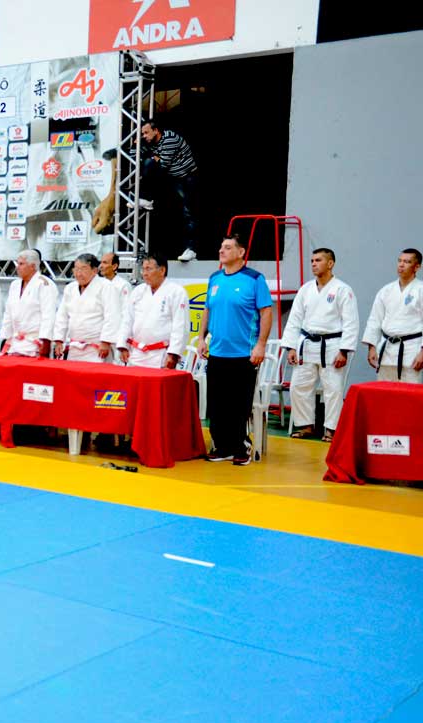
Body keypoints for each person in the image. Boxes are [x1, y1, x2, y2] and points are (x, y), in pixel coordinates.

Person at [197, 234, 273, 466]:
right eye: (221, 247)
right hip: (217, 352)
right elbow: (207, 310)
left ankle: (241, 445)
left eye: (228, 247)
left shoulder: (254, 279)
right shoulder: (215, 278)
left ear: (241, 253)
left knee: (239, 404)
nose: (222, 251)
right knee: (217, 403)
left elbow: (266, 313)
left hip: (244, 354)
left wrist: (260, 345)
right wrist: (201, 338)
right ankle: (222, 446)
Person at [279, 248, 360, 440]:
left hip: (332, 345)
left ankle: (331, 429)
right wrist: (290, 347)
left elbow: (351, 322)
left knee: (333, 388)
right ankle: (305, 425)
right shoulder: (306, 289)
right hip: (307, 344)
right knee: (299, 386)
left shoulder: (342, 289)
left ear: (330, 264)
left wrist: (344, 350)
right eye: (312, 261)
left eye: (318, 260)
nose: (314, 264)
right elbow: (294, 320)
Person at [362, 248, 423, 383]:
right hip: (386, 351)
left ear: (417, 267)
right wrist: (372, 347)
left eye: (407, 262)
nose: (401, 265)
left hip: (411, 351)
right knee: (384, 395)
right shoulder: (385, 291)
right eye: (400, 261)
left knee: (410, 397)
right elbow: (374, 320)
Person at [139, 119, 199, 262]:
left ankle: (191, 250)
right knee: (175, 213)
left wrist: (152, 156)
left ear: (156, 131)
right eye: (142, 134)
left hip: (187, 177)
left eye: (146, 133)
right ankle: (148, 199)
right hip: (174, 177)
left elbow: (163, 163)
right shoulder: (152, 143)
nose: (144, 136)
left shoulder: (169, 139)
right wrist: (139, 145)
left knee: (188, 213)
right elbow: (135, 154)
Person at [118, 253, 190, 368]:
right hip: (136, 353)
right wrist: (123, 345)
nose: (144, 274)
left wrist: (173, 354)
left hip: (160, 355)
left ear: (162, 270)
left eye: (148, 269)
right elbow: (127, 320)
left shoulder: (176, 292)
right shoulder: (138, 291)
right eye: (143, 269)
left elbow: (180, 326)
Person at [53, 253, 122, 363]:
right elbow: (62, 316)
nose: (79, 273)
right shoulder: (70, 289)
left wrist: (106, 341)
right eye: (76, 269)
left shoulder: (106, 286)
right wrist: (59, 340)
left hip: (97, 347)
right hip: (74, 347)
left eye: (83, 269)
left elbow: (112, 315)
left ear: (94, 271)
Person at [0, 249, 58, 357]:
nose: (17, 267)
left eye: (21, 264)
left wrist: (46, 341)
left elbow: (48, 315)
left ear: (33, 266)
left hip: (35, 343)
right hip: (15, 342)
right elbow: (8, 313)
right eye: (18, 263)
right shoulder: (14, 285)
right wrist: (6, 337)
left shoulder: (45, 284)